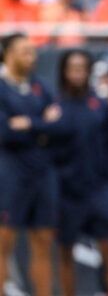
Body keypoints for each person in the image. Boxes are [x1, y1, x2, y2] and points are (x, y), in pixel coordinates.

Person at [0, 33, 68, 296]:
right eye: (24, 51)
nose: (32, 56)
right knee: (4, 243)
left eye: (33, 51)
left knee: (42, 242)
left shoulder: (41, 86)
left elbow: (60, 125)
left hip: (43, 173)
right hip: (10, 174)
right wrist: (41, 122)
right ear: (8, 54)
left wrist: (28, 123)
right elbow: (5, 132)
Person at [53, 50, 108, 296]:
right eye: (72, 67)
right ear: (63, 71)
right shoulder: (55, 106)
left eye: (82, 67)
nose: (77, 72)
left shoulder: (100, 106)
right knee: (64, 252)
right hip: (67, 193)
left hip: (99, 190)